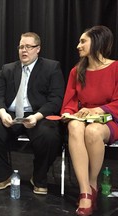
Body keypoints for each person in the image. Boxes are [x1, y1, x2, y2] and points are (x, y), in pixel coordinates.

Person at [0, 32, 65, 195]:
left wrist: (36, 116)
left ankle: (39, 177)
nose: (23, 50)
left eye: (28, 47)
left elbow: (55, 100)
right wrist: (2, 113)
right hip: (11, 114)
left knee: (49, 135)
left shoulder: (51, 67)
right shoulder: (8, 69)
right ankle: (3, 176)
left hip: (37, 115)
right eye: (21, 46)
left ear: (38, 49)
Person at [61, 25, 118, 216]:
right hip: (84, 119)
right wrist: (70, 114)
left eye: (83, 41)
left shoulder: (116, 68)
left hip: (110, 119)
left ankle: (93, 181)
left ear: (97, 42)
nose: (78, 45)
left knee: (93, 131)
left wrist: (95, 110)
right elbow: (69, 102)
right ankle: (85, 190)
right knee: (75, 125)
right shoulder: (76, 71)